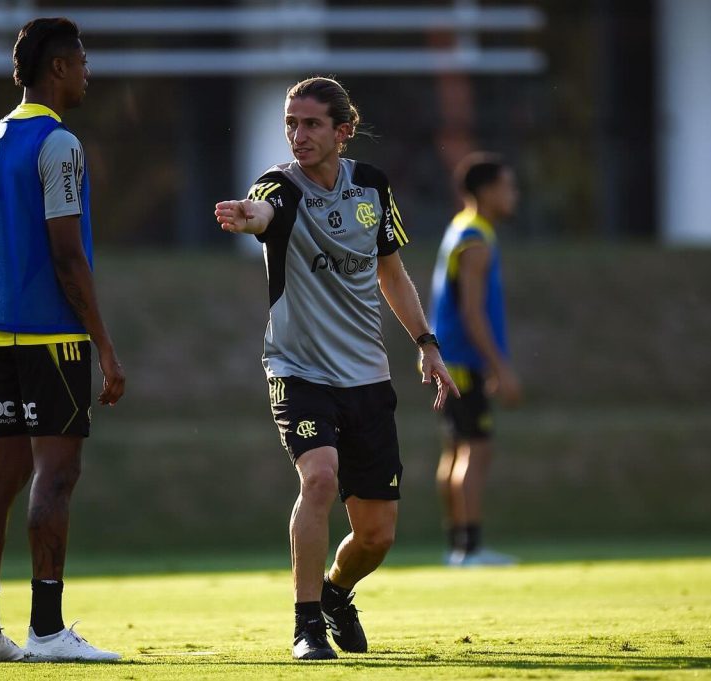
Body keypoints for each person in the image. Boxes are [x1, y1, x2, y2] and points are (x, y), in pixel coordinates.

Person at [214, 77, 460, 661]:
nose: (298, 135)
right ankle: (305, 626)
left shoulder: (371, 187)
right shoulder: (281, 187)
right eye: (291, 124)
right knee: (319, 478)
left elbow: (391, 273)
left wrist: (427, 343)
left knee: (377, 536)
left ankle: (335, 592)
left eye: (312, 124)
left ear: (343, 131)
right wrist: (247, 216)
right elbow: (264, 211)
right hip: (298, 371)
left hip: (367, 378)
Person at [0, 17, 125, 663]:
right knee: (56, 474)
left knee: (5, 472)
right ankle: (49, 629)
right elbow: (67, 254)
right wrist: (105, 346)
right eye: (82, 62)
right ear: (58, 68)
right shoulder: (59, 144)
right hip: (52, 334)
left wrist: (10, 293)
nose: (88, 73)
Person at [430, 152, 522, 567]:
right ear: (487, 191)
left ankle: (458, 546)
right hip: (462, 364)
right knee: (475, 450)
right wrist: (500, 368)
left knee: (456, 451)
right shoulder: (476, 239)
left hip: (450, 361)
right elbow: (471, 312)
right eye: (508, 187)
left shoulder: (462, 227)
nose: (513, 195)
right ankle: (469, 548)